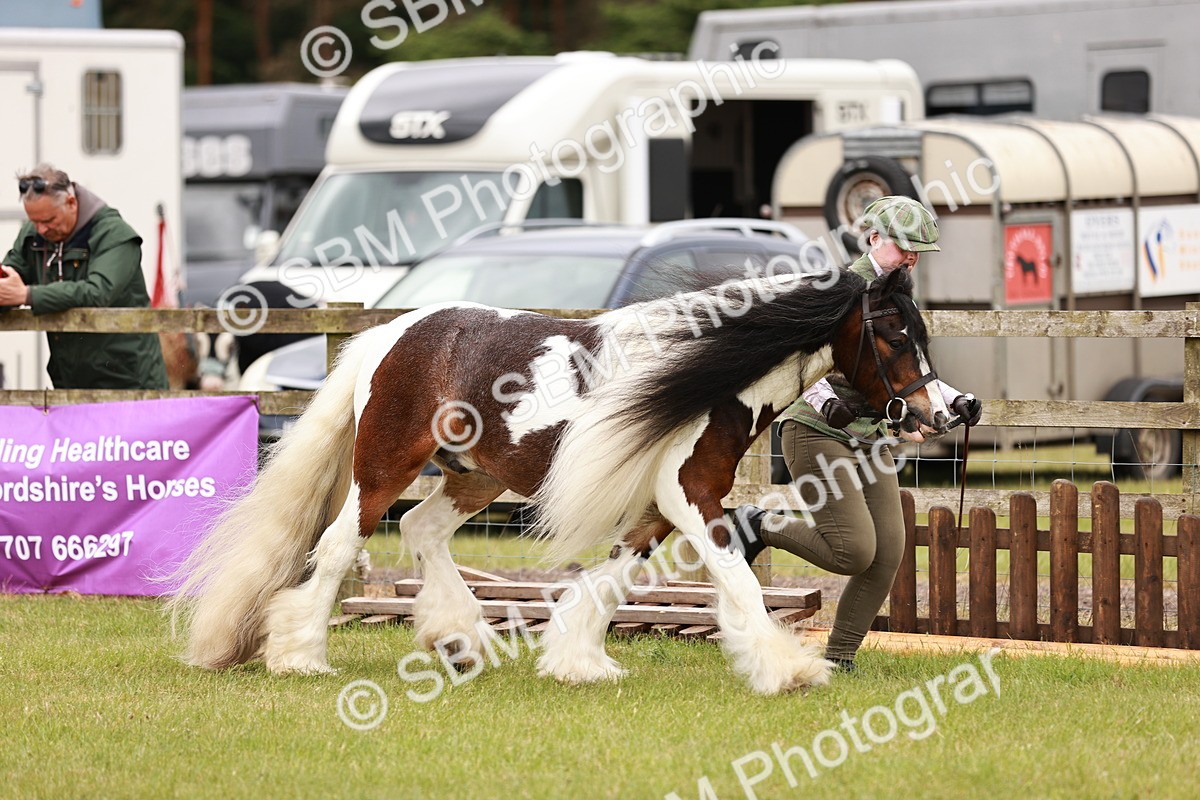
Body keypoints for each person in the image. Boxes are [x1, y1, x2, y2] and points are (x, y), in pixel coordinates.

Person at [731, 196, 983, 672]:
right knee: (853, 551)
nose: (912, 258)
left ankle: (840, 660)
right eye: (906, 247)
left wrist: (954, 400)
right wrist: (847, 411)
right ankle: (755, 524)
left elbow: (911, 374)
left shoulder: (896, 297)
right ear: (873, 239)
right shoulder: (837, 292)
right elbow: (802, 368)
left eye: (919, 251)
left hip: (869, 441)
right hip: (814, 431)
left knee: (888, 552)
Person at [0, 164, 167, 389]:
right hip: (69, 382)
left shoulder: (115, 235)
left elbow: (98, 292)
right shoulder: (33, 235)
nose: (41, 230)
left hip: (129, 383)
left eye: (49, 220)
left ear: (71, 202)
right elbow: (10, 276)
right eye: (34, 221)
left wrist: (26, 295)